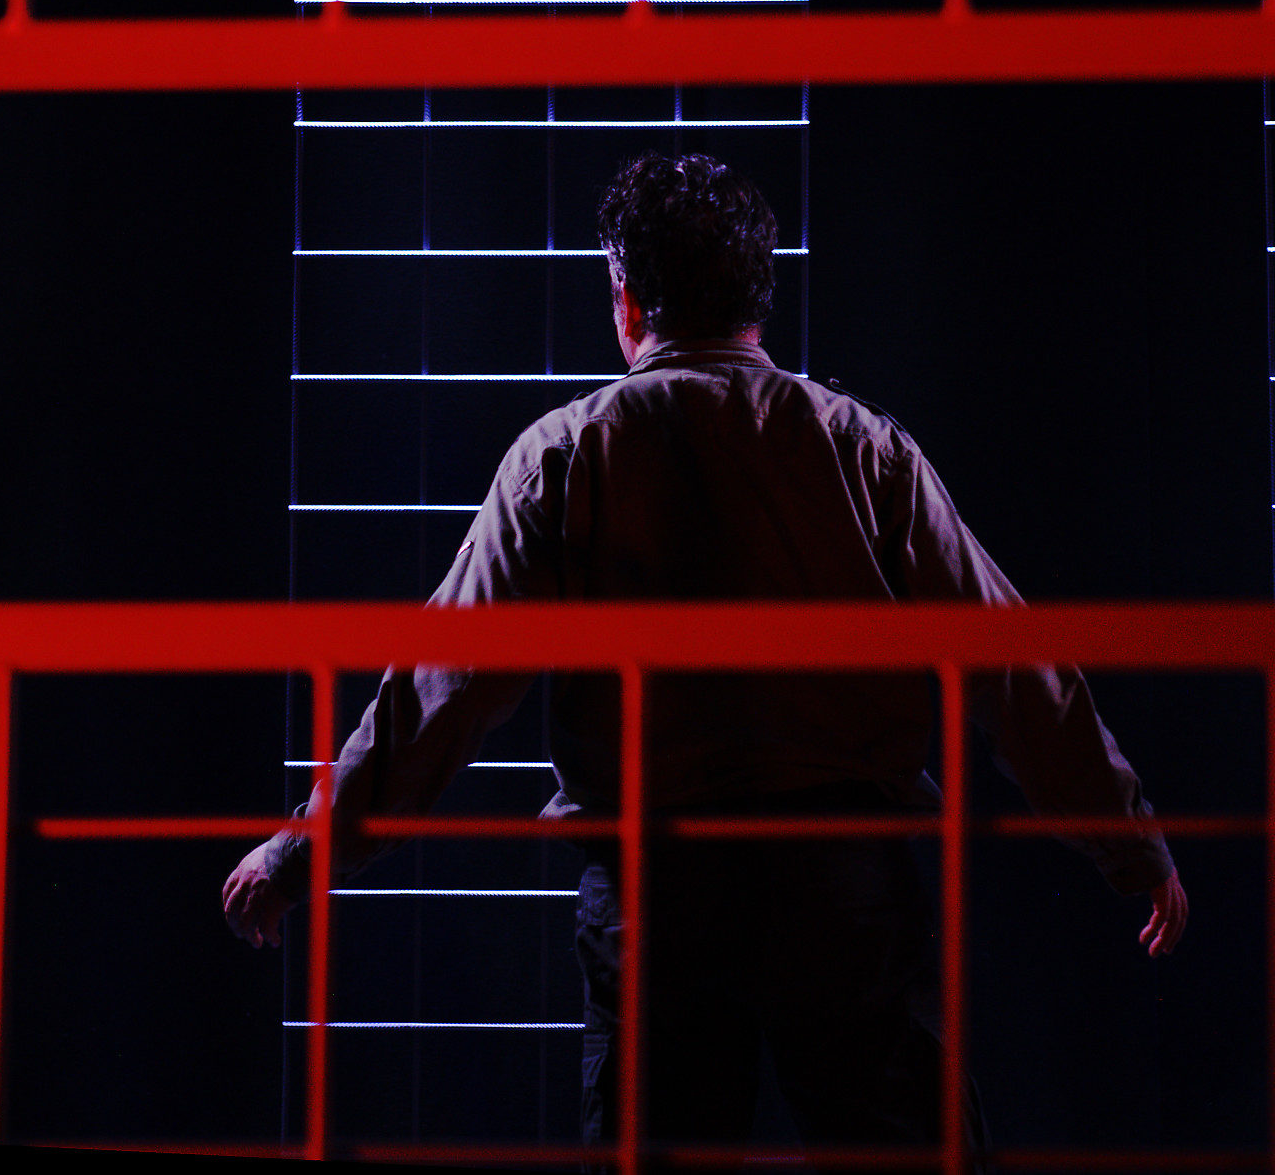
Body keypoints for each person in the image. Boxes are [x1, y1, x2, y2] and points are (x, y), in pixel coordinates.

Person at [223, 152, 1186, 1167]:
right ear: (758, 295)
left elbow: (439, 694)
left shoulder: (564, 457)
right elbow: (1015, 669)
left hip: (656, 904)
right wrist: (1131, 842)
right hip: (846, 894)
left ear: (627, 299)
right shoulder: (864, 451)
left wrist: (300, 855)